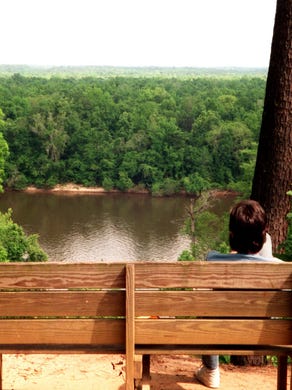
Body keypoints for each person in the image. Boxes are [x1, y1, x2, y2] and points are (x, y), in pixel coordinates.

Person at [195, 199, 283, 388]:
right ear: (264, 234)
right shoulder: (282, 270)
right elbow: (264, 253)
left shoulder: (212, 260)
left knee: (206, 307)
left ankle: (211, 370)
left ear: (231, 234)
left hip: (220, 334)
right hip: (268, 336)